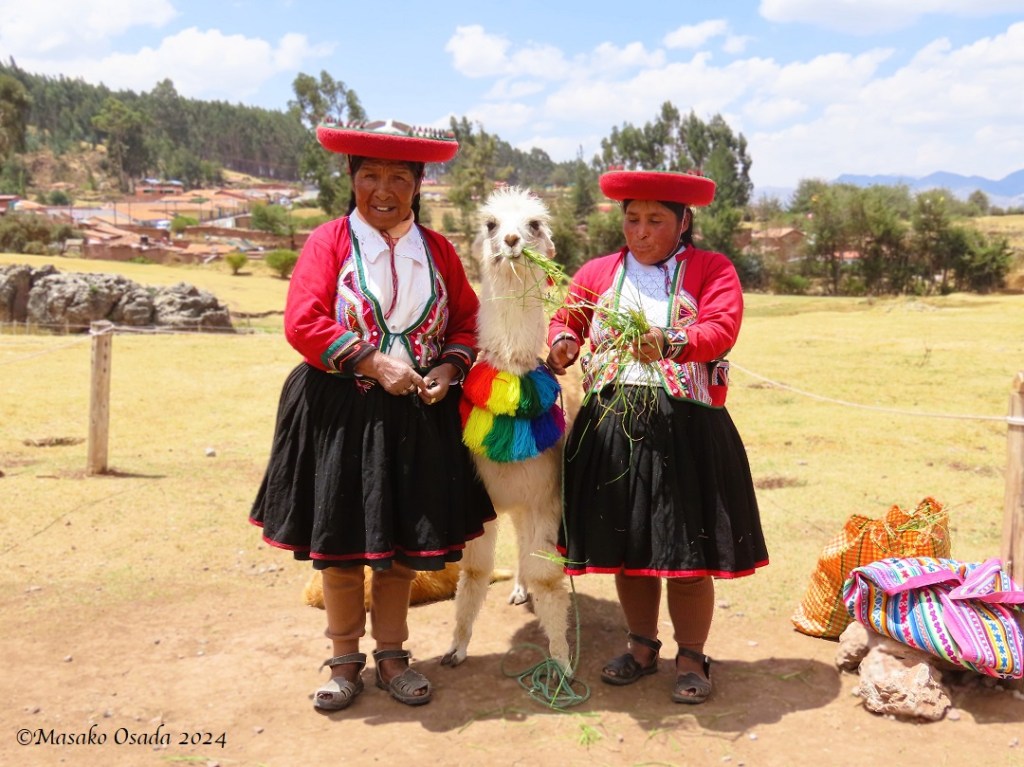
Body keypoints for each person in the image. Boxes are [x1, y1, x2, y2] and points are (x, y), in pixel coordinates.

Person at [250, 118, 495, 711]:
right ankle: (343, 660)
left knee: (404, 547)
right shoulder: (330, 241)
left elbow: (466, 320)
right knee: (341, 544)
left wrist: (449, 369)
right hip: (341, 412)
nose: (382, 190)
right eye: (369, 176)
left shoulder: (437, 251)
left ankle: (392, 655)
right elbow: (303, 321)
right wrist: (369, 361)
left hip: (419, 416)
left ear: (418, 185)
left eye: (398, 178)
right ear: (351, 179)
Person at [545, 168, 768, 704]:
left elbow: (720, 328)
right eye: (632, 218)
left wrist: (669, 341)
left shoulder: (712, 269)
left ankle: (692, 654)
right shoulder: (598, 273)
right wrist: (560, 345)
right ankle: (641, 646)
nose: (640, 231)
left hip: (686, 428)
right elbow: (567, 321)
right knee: (629, 547)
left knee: (688, 553)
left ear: (684, 221)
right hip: (611, 429)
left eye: (655, 220)